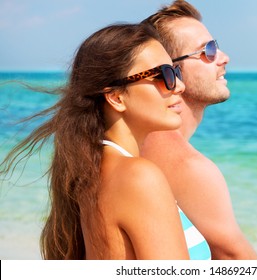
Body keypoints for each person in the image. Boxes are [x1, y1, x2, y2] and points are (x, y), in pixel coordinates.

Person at [0, 23, 211, 259]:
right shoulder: (138, 176)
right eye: (163, 75)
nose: (179, 86)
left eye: (176, 72)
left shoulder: (95, 170)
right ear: (116, 97)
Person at [141, 0, 257, 259]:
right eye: (208, 50)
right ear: (168, 71)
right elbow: (238, 261)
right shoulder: (187, 164)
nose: (224, 58)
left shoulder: (137, 142)